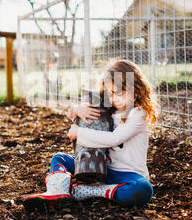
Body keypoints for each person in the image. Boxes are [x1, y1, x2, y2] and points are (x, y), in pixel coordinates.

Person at [23, 59, 157, 211]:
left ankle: (95, 191)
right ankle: (58, 191)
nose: (115, 99)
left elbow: (114, 139)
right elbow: (84, 111)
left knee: (143, 189)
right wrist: (77, 109)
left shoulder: (138, 114)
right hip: (103, 169)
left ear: (135, 88)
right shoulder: (110, 109)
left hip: (128, 175)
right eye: (110, 94)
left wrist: (79, 133)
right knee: (59, 158)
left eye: (120, 92)